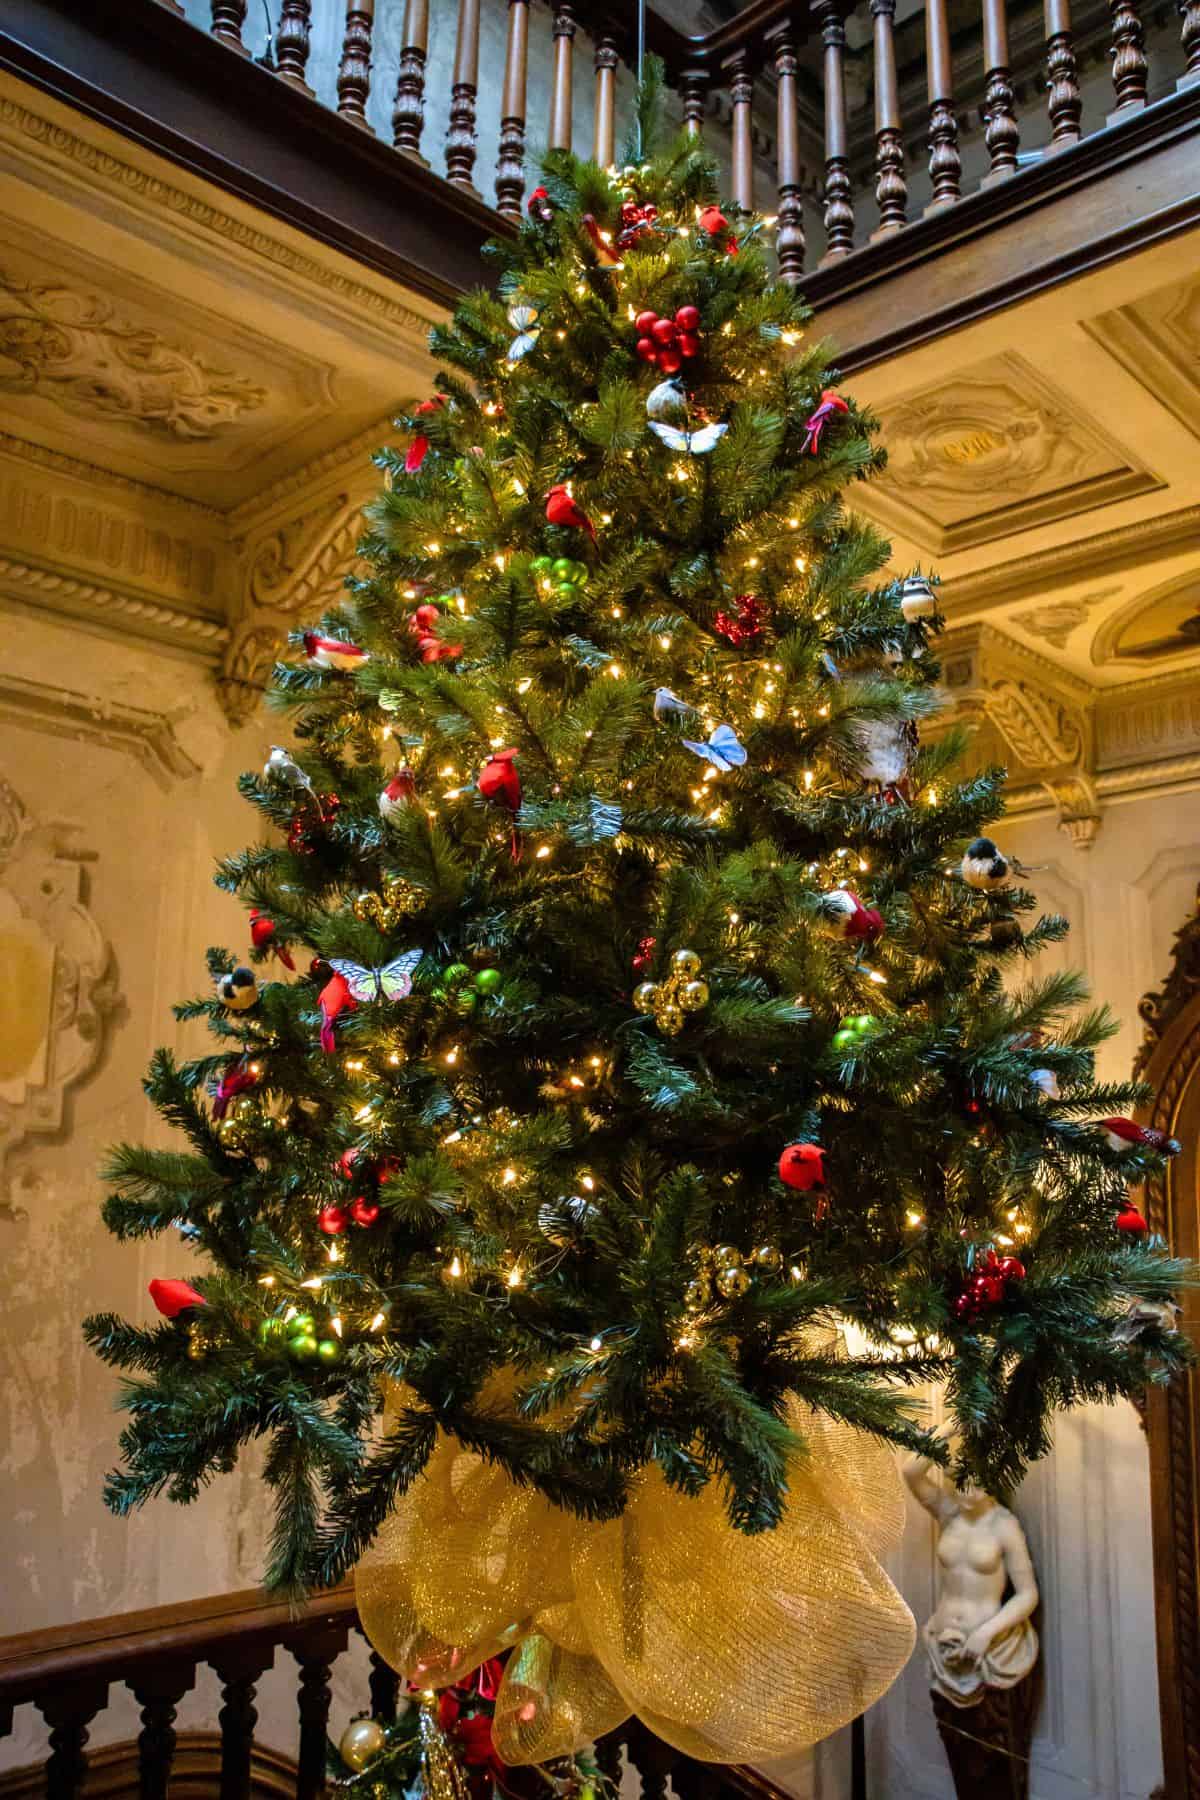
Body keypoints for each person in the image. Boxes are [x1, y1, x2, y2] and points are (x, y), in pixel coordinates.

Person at [903, 1427, 1039, 1707]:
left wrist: (984, 1634)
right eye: (959, 1481)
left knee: (993, 1731)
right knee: (951, 1733)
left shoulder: (1004, 1526)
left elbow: (1028, 1595)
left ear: (991, 1480)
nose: (965, 1491)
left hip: (988, 1647)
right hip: (943, 1642)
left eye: (975, 1484)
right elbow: (911, 1472)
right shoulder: (948, 1514)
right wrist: (954, 1424)